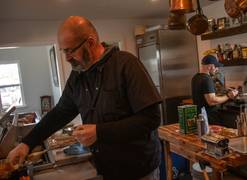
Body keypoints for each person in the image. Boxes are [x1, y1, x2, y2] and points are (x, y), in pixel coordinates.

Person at [7, 16, 162, 180]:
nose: (67, 57)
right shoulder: (77, 76)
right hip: (103, 168)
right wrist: (27, 143)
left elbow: (151, 118)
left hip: (137, 170)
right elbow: (60, 113)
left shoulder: (126, 64)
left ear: (90, 42)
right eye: (63, 51)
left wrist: (99, 132)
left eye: (70, 50)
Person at [191, 55, 238, 125]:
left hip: (199, 116)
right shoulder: (207, 79)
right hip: (209, 118)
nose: (217, 69)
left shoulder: (195, 77)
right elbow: (212, 101)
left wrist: (224, 90)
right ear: (210, 66)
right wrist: (228, 96)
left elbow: (203, 94)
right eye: (216, 67)